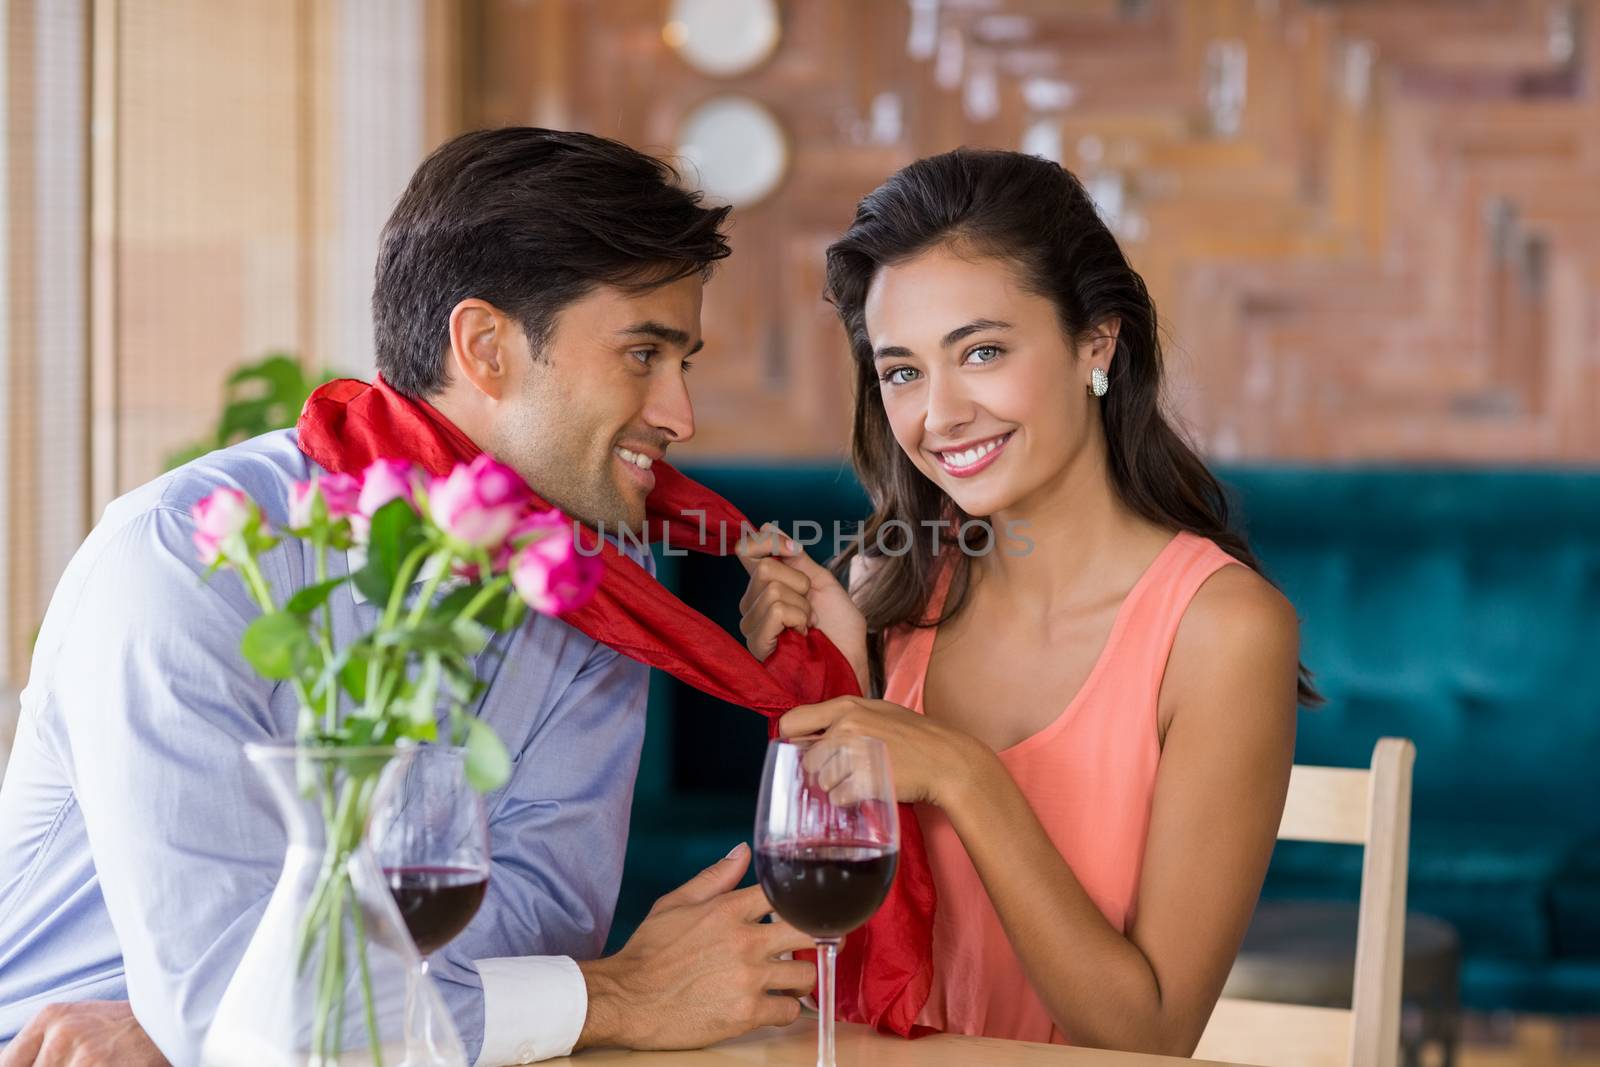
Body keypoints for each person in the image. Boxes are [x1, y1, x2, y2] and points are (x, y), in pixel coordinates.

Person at [0, 127, 815, 1067]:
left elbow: (539, 920)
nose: (681, 414)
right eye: (643, 354)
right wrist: (615, 997)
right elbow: (225, 1008)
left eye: (685, 363)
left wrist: (247, 1011)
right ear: (485, 346)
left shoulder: (590, 598)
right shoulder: (189, 557)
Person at [738, 148, 1309, 1055]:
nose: (940, 414)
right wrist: (836, 674)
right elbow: (854, 959)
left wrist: (967, 775)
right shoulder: (890, 596)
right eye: (902, 371)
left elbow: (1151, 1031)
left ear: (1097, 342)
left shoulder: (1222, 631)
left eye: (983, 352)